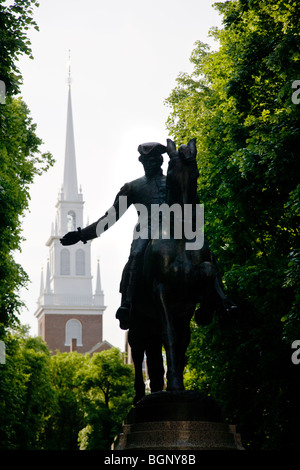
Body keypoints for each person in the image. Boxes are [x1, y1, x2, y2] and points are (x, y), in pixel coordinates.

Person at [60, 142, 167, 330]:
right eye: (146, 161)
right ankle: (127, 303)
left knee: (200, 250)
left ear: (160, 161)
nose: (150, 164)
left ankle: (217, 298)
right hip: (146, 232)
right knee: (136, 255)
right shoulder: (133, 187)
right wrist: (81, 235)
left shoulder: (174, 182)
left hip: (172, 231)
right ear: (141, 162)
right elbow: (110, 218)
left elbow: (191, 205)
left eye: (153, 160)